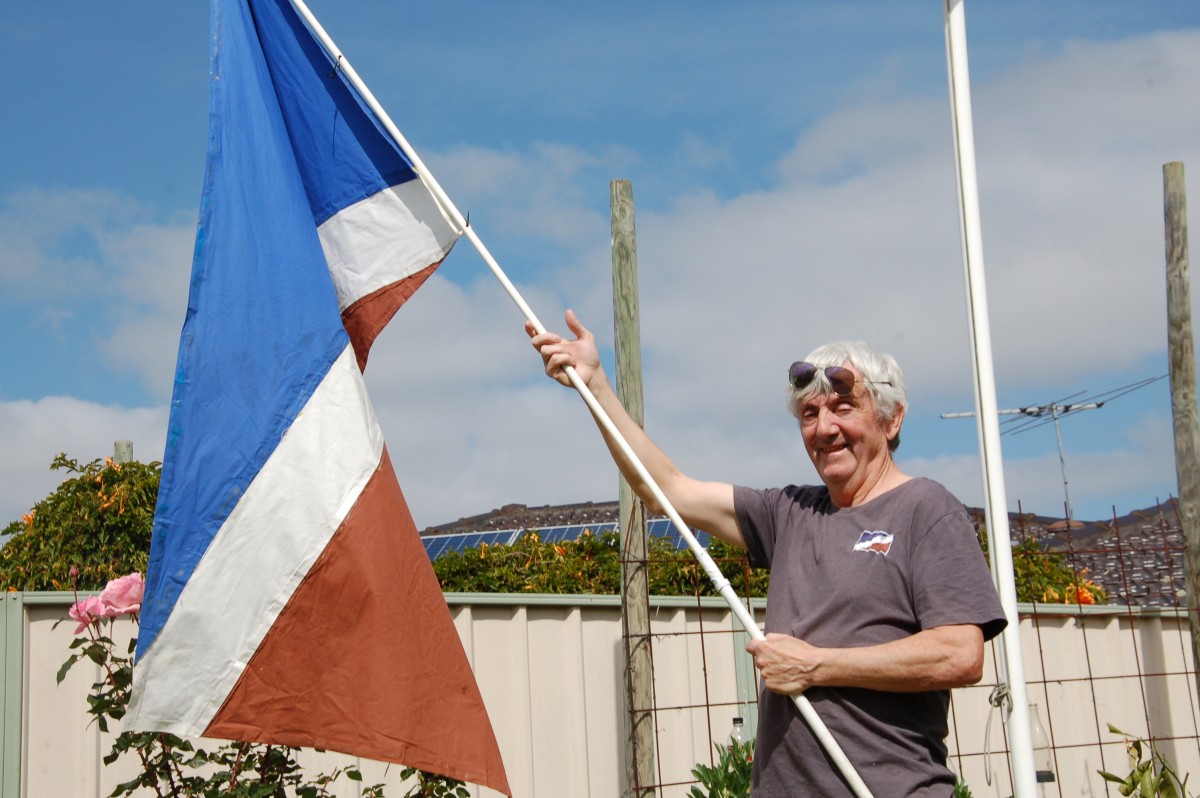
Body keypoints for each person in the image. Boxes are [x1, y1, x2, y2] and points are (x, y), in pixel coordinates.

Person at [527, 310, 1007, 797]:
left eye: (844, 407)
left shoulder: (926, 510)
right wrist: (596, 385)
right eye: (810, 414)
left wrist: (817, 666)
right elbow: (665, 489)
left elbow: (960, 655)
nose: (824, 428)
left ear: (891, 417)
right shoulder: (789, 513)